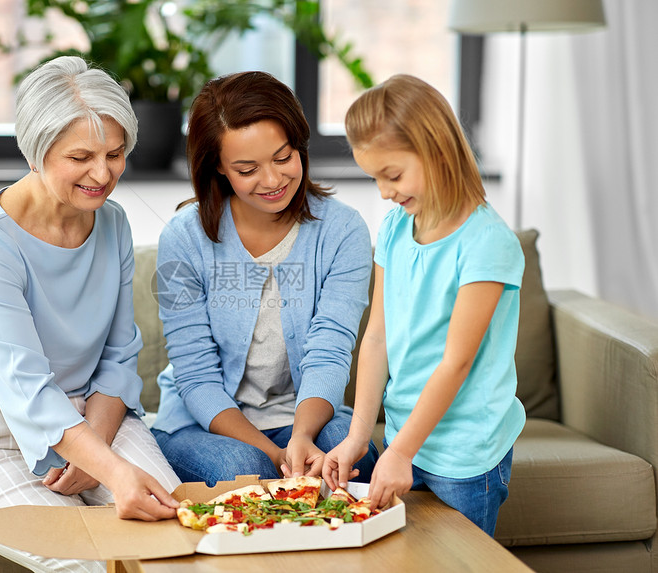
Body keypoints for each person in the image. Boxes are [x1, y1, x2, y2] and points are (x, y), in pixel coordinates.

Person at [0, 56, 180, 572]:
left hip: (90, 417)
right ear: (36, 153)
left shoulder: (113, 223)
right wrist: (112, 472)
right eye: (80, 156)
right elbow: (26, 388)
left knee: (174, 544)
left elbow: (120, 354)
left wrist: (96, 451)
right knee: (80, 563)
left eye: (116, 154)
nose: (103, 174)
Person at [150, 71, 379, 487]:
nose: (272, 180)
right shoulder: (184, 239)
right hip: (203, 425)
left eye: (282, 157)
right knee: (244, 472)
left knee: (350, 459)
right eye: (247, 168)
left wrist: (302, 437)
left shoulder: (343, 231)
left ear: (300, 145)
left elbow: (330, 351)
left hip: (305, 414)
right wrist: (275, 455)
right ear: (218, 166)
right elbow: (196, 376)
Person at [322, 74, 526, 537]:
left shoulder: (486, 244)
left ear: (436, 150)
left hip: (465, 453)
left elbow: (456, 362)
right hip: (403, 437)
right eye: (374, 177)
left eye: (391, 175)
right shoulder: (395, 230)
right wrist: (360, 438)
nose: (383, 191)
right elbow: (376, 338)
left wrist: (401, 453)